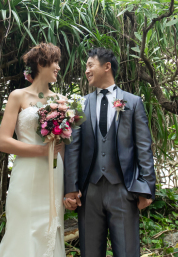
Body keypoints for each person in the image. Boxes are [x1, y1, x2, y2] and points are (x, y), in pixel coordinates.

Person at [63, 47, 156, 257]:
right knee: (90, 252)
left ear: (107, 67)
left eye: (90, 65)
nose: (86, 71)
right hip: (90, 192)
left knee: (127, 252)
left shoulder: (132, 102)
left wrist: (147, 188)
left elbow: (143, 147)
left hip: (123, 190)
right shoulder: (79, 104)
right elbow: (73, 148)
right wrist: (71, 188)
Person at [0, 42, 66, 257]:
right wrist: (41, 151)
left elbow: (63, 147)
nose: (58, 67)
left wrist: (70, 184)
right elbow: (4, 142)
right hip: (26, 173)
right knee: (22, 226)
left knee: (51, 227)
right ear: (41, 63)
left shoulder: (61, 101)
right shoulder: (18, 96)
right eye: (55, 62)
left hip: (54, 174)